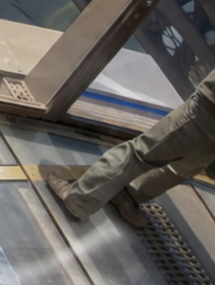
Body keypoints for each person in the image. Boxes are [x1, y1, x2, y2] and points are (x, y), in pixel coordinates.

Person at [44, 70, 215, 228]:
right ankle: (130, 194)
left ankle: (80, 201)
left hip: (209, 110)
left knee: (140, 153)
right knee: (187, 164)